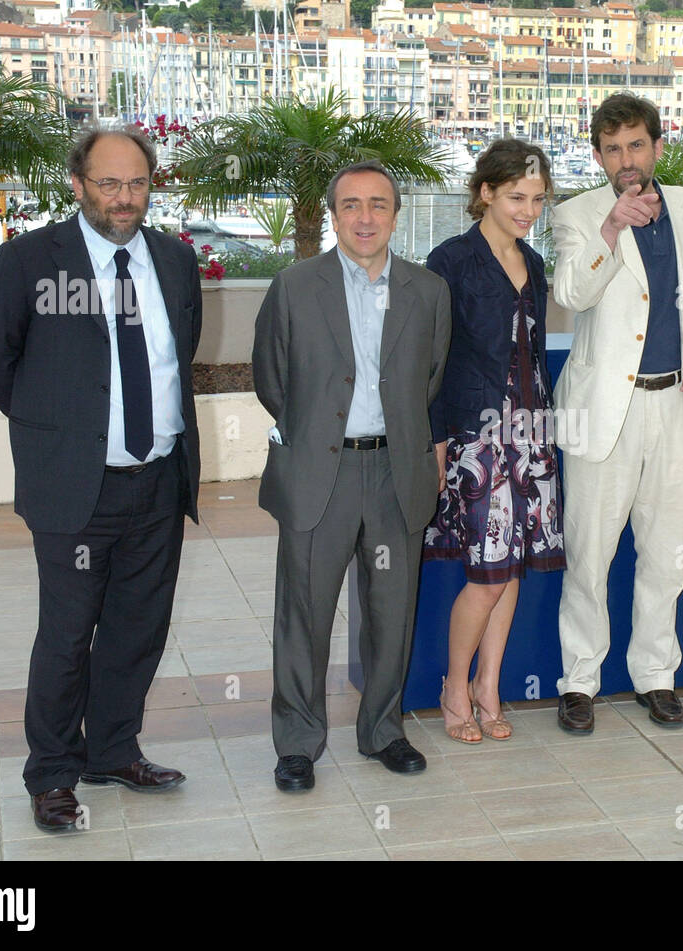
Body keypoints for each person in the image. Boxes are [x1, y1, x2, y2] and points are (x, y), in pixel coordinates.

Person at [0, 127, 203, 833]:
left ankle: (114, 749)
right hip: (76, 489)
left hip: (157, 480)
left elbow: (175, 354)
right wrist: (59, 430)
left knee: (138, 628)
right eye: (109, 183)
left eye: (137, 183)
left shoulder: (174, 260)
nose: (125, 198)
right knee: (68, 635)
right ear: (77, 184)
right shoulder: (31, 260)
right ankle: (52, 775)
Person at [254, 160, 451, 790]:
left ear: (396, 215)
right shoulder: (293, 285)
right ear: (334, 215)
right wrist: (314, 436)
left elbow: (431, 378)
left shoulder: (429, 290)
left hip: (396, 472)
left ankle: (384, 731)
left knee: (392, 611)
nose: (365, 218)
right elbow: (272, 378)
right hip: (321, 475)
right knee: (303, 614)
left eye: (378, 205)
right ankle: (298, 743)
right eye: (351, 206)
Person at [551, 93, 683, 733]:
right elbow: (571, 294)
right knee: (589, 555)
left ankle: (656, 675)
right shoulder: (576, 216)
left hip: (678, 406)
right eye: (613, 149)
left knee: (666, 556)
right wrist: (612, 228)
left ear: (657, 145)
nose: (627, 160)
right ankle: (578, 681)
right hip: (605, 415)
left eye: (637, 145)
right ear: (599, 156)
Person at [423, 139, 565, 744]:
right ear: (485, 192)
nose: (528, 209)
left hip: (531, 437)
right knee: (486, 573)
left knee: (510, 571)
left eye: (537, 199)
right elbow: (428, 360)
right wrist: (435, 444)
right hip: (473, 440)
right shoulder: (449, 260)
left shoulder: (534, 263)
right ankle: (455, 687)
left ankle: (488, 687)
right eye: (516, 197)